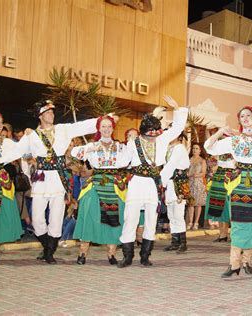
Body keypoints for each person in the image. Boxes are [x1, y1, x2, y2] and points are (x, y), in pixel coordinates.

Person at [18, 100, 104, 264]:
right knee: (37, 219)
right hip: (41, 181)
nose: (52, 114)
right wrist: (30, 172)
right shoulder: (32, 135)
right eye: (48, 112)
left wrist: (102, 120)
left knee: (56, 219)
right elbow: (23, 156)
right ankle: (47, 247)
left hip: (58, 180)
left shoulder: (62, 129)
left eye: (52, 112)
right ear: (40, 116)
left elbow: (82, 126)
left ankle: (49, 253)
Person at [117, 95, 188, 268]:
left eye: (155, 133)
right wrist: (114, 152)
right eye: (150, 134)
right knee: (130, 219)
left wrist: (177, 108)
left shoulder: (162, 139)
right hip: (136, 183)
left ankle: (145, 256)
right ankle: (127, 257)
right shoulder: (133, 143)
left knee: (151, 219)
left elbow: (178, 127)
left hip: (153, 185)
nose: (152, 138)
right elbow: (122, 162)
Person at [205, 106, 252, 278]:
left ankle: (246, 261)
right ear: (238, 121)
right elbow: (209, 147)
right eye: (241, 116)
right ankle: (234, 264)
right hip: (238, 185)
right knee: (238, 223)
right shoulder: (234, 141)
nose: (245, 118)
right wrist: (220, 132)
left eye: (248, 115)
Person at [71, 115, 130, 265]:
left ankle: (111, 254)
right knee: (89, 215)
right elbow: (74, 152)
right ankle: (82, 253)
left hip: (114, 184)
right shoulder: (92, 146)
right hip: (95, 183)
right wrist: (92, 147)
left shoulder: (120, 147)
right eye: (103, 126)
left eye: (109, 126)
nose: (106, 129)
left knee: (115, 218)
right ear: (98, 128)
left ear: (113, 128)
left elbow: (129, 159)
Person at [0, 112, 24, 262]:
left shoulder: (7, 142)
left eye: (1, 122)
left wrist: (29, 137)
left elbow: (22, 150)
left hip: (1, 180)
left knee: (0, 215)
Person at [160, 132, 190, 253]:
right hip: (170, 183)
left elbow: (171, 165)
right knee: (171, 215)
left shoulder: (179, 148)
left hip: (178, 184)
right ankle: (174, 241)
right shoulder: (169, 148)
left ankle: (183, 243)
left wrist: (161, 178)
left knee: (178, 214)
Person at [204, 150, 235, 242]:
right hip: (218, 180)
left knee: (227, 209)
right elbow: (212, 165)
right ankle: (222, 234)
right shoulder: (218, 153)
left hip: (228, 180)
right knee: (218, 208)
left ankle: (232, 235)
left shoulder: (234, 152)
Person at [187, 143, 207, 230]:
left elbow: (203, 173)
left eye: (196, 148)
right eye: (193, 148)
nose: (194, 150)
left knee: (198, 204)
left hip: (199, 183)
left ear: (200, 150)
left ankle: (196, 222)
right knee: (190, 203)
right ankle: (190, 222)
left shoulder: (202, 160)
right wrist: (189, 174)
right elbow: (186, 171)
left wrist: (197, 175)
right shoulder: (189, 159)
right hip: (190, 182)